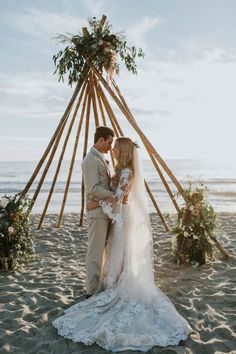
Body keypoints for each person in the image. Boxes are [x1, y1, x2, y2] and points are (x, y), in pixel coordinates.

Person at [52, 137, 192, 352]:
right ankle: (116, 280)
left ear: (123, 150)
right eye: (112, 145)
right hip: (120, 215)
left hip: (123, 215)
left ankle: (118, 282)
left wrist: (95, 202)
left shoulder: (126, 172)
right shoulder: (122, 169)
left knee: (121, 248)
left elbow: (119, 196)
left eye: (116, 146)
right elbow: (118, 196)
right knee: (117, 249)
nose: (113, 149)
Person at [81, 126, 114, 297]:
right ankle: (91, 290)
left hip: (103, 211)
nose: (110, 146)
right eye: (109, 142)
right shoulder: (90, 160)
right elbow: (93, 188)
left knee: (103, 251)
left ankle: (98, 285)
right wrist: (115, 196)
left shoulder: (100, 158)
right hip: (97, 214)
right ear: (100, 140)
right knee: (95, 253)